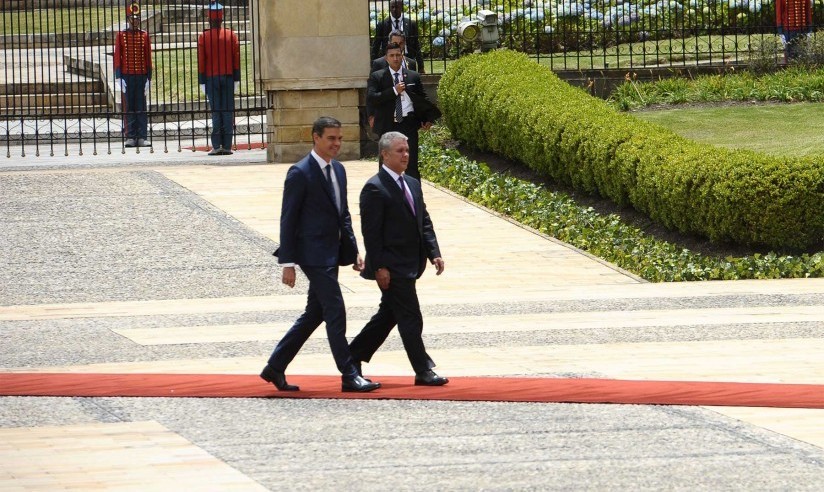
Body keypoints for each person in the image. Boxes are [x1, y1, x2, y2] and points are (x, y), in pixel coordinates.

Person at [261, 116, 381, 394]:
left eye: (339, 138)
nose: (337, 143)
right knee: (335, 309)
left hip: (331, 253)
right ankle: (349, 374)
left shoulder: (339, 170)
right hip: (311, 255)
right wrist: (288, 263)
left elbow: (344, 214)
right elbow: (287, 220)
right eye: (331, 138)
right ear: (315, 137)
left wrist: (352, 252)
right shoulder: (299, 173)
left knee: (315, 313)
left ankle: (275, 366)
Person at [349, 131, 448, 387]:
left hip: (412, 263)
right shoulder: (374, 187)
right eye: (399, 151)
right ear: (384, 155)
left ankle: (352, 357)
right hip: (391, 266)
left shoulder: (412, 183)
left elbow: (423, 221)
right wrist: (379, 266)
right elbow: (371, 233)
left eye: (407, 150)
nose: (405, 155)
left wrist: (434, 252)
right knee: (411, 316)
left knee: (389, 316)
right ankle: (423, 370)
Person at [367, 42, 440, 180]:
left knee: (411, 164)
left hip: (409, 124)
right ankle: (387, 197)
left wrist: (427, 119)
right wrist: (394, 91)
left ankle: (415, 198)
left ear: (402, 56)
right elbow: (372, 98)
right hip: (388, 124)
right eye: (392, 55)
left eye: (398, 55)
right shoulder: (377, 77)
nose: (395, 58)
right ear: (386, 58)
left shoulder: (413, 76)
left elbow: (422, 99)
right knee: (386, 164)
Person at [197, 1, 240, 156]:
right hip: (228, 76)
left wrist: (201, 80)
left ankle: (216, 146)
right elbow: (236, 58)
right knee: (228, 111)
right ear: (222, 19)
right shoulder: (231, 35)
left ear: (209, 19)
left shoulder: (204, 36)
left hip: (211, 78)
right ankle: (227, 145)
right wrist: (237, 78)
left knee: (216, 111)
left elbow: (202, 60)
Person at [114, 1, 152, 148]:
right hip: (127, 76)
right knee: (129, 106)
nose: (135, 21)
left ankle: (142, 136)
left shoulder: (144, 35)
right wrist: (119, 76)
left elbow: (148, 57)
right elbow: (118, 56)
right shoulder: (121, 35)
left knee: (141, 106)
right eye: (132, 18)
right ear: (128, 19)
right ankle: (130, 136)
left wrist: (149, 78)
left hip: (141, 75)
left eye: (137, 19)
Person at [371, 0, 424, 74]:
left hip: (407, 59)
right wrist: (373, 65)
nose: (394, 9)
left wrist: (421, 66)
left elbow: (416, 46)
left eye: (397, 7)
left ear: (401, 7)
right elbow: (376, 46)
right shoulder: (382, 24)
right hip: (390, 60)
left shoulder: (411, 24)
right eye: (392, 7)